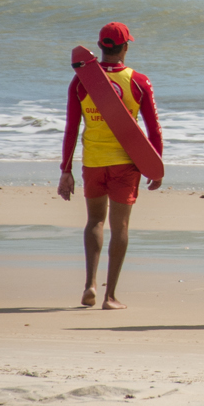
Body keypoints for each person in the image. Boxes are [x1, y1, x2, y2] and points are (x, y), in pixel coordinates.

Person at [58, 21, 163, 310]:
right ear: (125, 47)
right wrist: (156, 165)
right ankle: (110, 295)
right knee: (120, 227)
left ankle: (90, 284)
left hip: (93, 162)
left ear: (101, 47)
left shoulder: (81, 81)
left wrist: (65, 171)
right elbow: (154, 130)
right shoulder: (139, 82)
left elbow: (71, 128)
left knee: (94, 221)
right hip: (126, 164)